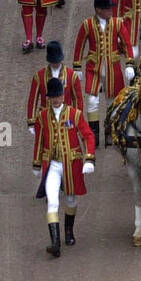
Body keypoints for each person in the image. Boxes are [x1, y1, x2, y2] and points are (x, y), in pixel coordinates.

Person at [32, 77, 95, 257]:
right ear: (49, 98)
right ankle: (55, 242)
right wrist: (36, 163)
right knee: (52, 201)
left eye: (58, 96)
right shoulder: (42, 117)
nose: (56, 99)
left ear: (63, 96)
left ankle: (68, 231)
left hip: (71, 164)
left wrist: (89, 158)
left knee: (70, 200)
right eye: (53, 97)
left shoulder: (75, 114)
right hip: (52, 164)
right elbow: (39, 142)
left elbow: (88, 136)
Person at [72, 0, 135, 143]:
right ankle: (94, 135)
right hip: (94, 68)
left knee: (112, 100)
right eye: (107, 9)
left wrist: (129, 63)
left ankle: (109, 132)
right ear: (98, 10)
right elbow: (79, 45)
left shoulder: (117, 23)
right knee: (93, 100)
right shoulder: (87, 24)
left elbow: (126, 44)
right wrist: (77, 66)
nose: (110, 11)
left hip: (113, 67)